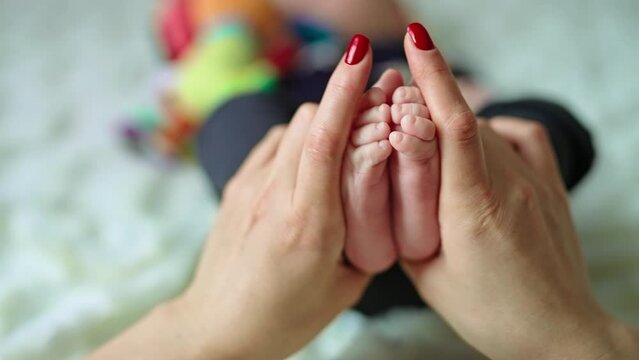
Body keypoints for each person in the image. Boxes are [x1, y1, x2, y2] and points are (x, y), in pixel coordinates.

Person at [90, 22, 639, 359]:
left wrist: (476, 105)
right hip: (328, 240)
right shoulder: (265, 71)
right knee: (242, 118)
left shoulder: (397, 43)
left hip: (446, 231)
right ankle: (381, 194)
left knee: (533, 126)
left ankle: (403, 188)